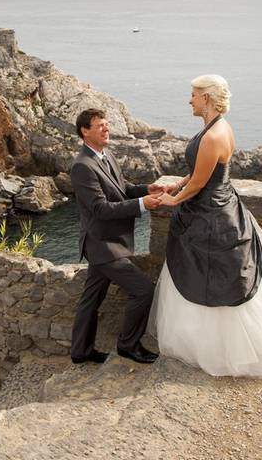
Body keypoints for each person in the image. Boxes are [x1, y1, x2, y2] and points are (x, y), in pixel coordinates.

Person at [151, 75, 262, 377]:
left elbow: (198, 185)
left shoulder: (213, 136)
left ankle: (220, 351)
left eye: (193, 95)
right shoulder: (216, 128)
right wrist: (172, 187)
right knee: (206, 276)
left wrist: (173, 201)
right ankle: (201, 343)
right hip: (214, 207)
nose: (189, 100)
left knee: (213, 279)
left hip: (210, 217)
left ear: (206, 98)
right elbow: (195, 175)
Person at [69, 108, 167, 365]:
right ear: (85, 131)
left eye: (106, 124)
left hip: (110, 243)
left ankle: (81, 351)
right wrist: (143, 204)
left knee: (91, 299)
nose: (106, 128)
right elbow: (100, 209)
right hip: (103, 245)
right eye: (100, 125)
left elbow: (122, 190)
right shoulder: (81, 166)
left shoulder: (106, 154)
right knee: (144, 290)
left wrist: (147, 189)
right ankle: (128, 345)